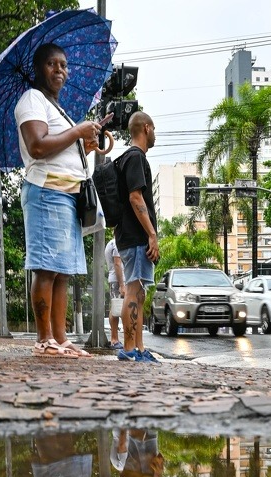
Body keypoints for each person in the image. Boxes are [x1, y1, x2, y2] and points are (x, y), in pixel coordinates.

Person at [15, 43, 102, 359]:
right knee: (46, 268)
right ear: (39, 69)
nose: (60, 70)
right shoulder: (32, 100)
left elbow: (60, 149)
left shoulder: (57, 109)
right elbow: (37, 146)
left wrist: (87, 144)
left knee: (63, 270)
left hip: (68, 196)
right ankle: (43, 339)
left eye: (63, 65)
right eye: (52, 64)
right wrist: (78, 131)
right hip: (46, 194)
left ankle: (60, 339)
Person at [115, 112, 160, 363]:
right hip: (135, 237)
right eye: (154, 129)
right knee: (133, 289)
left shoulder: (128, 158)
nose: (155, 134)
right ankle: (129, 349)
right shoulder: (134, 158)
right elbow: (135, 197)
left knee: (139, 292)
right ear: (146, 128)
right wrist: (151, 234)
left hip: (130, 236)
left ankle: (139, 349)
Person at [105, 237, 125, 348]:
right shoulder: (118, 242)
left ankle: (115, 339)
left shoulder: (112, 242)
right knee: (116, 309)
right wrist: (122, 285)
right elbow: (117, 263)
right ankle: (114, 339)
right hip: (118, 280)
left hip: (116, 279)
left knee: (115, 308)